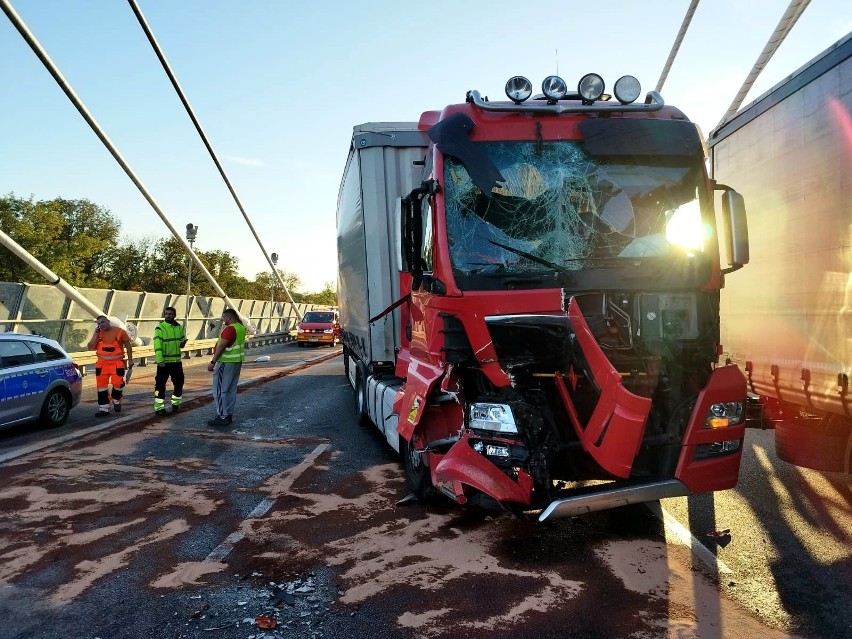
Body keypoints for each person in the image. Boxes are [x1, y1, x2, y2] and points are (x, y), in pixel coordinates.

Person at [87, 315, 133, 417]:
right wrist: (95, 334)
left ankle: (116, 400)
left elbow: (128, 346)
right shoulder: (98, 334)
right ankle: (104, 409)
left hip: (117, 363)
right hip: (102, 365)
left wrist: (130, 360)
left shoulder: (120, 331)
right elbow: (90, 346)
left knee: (118, 384)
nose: (101, 325)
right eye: (98, 324)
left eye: (102, 322)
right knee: (101, 387)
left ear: (108, 321)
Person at [207, 308, 246, 426]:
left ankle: (222, 416)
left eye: (224, 318)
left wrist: (213, 361)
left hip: (226, 362)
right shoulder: (241, 328)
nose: (223, 320)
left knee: (219, 390)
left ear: (229, 318)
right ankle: (228, 414)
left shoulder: (230, 329)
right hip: (236, 362)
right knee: (231, 389)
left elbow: (222, 346)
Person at [153, 306, 188, 416]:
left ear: (174, 315)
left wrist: (183, 343)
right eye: (166, 314)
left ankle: (176, 403)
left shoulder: (179, 327)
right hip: (164, 363)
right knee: (160, 385)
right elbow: (157, 346)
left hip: (176, 361)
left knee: (179, 383)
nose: (168, 316)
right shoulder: (160, 328)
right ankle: (159, 407)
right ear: (164, 315)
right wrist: (160, 360)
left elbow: (182, 341)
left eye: (170, 314)